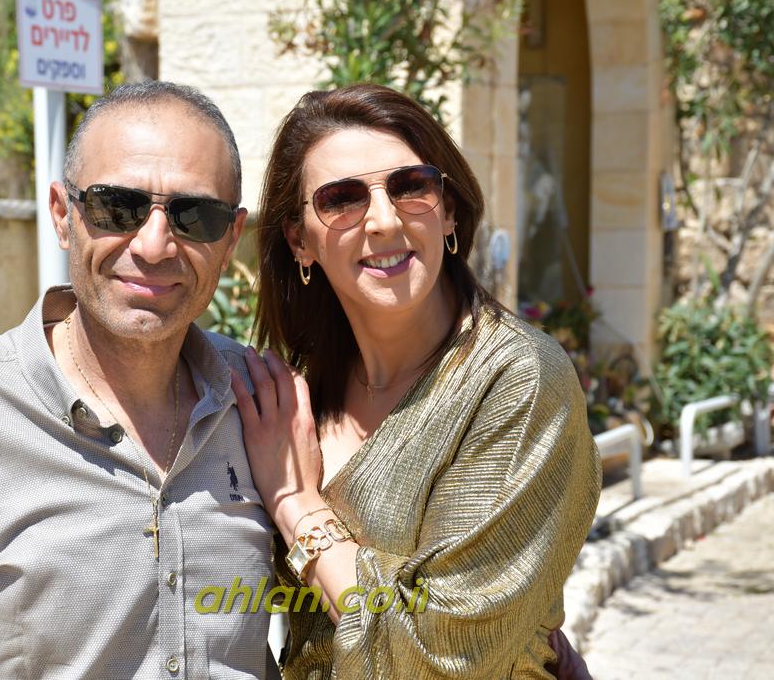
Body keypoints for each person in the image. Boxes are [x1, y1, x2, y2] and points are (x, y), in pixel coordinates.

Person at [0, 81, 278, 679]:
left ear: (231, 238)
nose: (154, 245)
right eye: (117, 207)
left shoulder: (264, 404)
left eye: (195, 216)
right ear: (63, 216)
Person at [230, 84, 601, 678]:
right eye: (341, 199)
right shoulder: (295, 396)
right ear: (300, 240)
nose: (384, 220)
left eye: (410, 187)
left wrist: (297, 506)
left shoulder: (516, 380)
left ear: (448, 210)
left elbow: (442, 650)